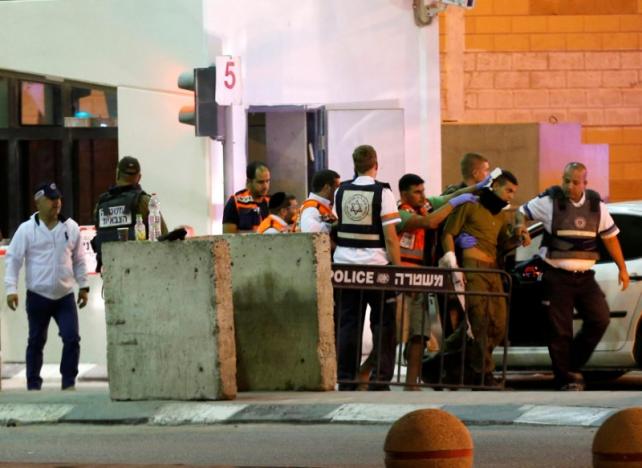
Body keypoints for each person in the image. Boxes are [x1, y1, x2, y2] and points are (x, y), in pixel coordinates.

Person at [519, 162, 629, 391]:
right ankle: (564, 378)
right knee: (560, 330)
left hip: (586, 277)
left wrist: (622, 268)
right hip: (556, 276)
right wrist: (520, 228)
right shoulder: (549, 201)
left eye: (575, 181)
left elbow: (610, 238)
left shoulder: (597, 206)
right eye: (565, 180)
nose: (569, 185)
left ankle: (571, 365)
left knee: (600, 319)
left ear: (585, 183)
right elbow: (521, 212)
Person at [393, 173, 479, 389]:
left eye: (423, 191)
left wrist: (478, 186)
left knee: (419, 334)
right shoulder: (398, 214)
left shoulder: (427, 205)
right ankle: (372, 377)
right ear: (404, 194)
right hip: (402, 281)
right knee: (397, 336)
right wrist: (454, 203)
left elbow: (457, 194)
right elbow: (429, 223)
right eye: (417, 192)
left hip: (421, 280)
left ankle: (411, 383)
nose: (423, 196)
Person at [440, 171, 527, 385]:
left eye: (514, 192)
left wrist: (517, 238)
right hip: (473, 269)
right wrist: (453, 262)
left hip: (493, 270)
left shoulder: (500, 215)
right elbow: (448, 233)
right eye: (508, 190)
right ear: (495, 185)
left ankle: (440, 361)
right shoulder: (470, 205)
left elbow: (502, 246)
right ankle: (483, 373)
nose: (511, 196)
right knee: (479, 321)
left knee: (497, 324)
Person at [4, 182, 89, 391]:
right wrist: (11, 289)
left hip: (65, 296)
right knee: (35, 341)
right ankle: (33, 384)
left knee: (72, 339)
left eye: (58, 198)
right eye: (51, 199)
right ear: (38, 202)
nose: (56, 203)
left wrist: (84, 286)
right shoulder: (26, 230)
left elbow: (79, 259)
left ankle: (68, 383)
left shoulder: (71, 228)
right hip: (38, 296)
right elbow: (13, 260)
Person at [333, 144, 401, 391]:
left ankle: (346, 379)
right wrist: (399, 268)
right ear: (376, 164)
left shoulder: (340, 192)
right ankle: (380, 380)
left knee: (348, 325)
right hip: (376, 269)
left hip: (344, 269)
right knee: (384, 325)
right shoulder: (383, 193)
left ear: (354, 165)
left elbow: (335, 227)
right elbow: (391, 236)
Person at [93, 156, 168, 272]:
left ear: (117, 173)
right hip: (140, 270)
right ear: (139, 178)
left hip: (111, 272)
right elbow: (163, 236)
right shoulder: (144, 202)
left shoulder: (101, 204)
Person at [222, 161, 271, 233]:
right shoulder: (236, 202)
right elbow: (228, 237)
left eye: (267, 181)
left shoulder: (271, 202)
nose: (265, 186)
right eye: (260, 182)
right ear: (249, 181)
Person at [298, 169, 340, 234]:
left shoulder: (321, 205)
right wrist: (334, 226)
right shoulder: (311, 208)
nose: (338, 191)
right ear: (327, 187)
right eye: (337, 187)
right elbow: (309, 230)